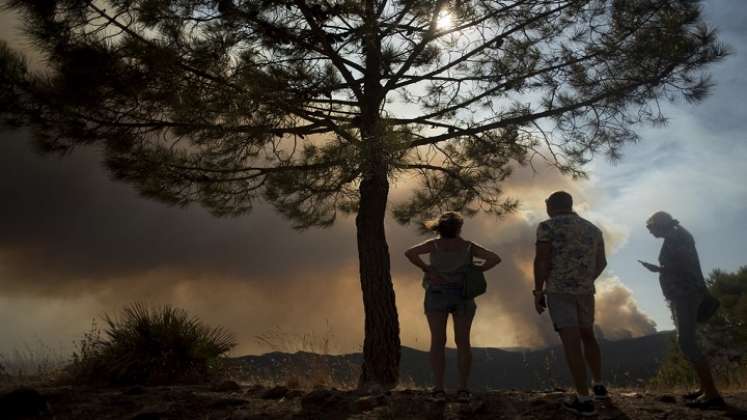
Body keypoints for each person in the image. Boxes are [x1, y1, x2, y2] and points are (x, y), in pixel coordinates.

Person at [404, 211, 501, 402]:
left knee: (437, 341)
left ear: (439, 227)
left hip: (436, 294)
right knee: (463, 342)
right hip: (463, 296)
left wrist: (428, 268)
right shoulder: (468, 247)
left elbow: (410, 253)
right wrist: (475, 269)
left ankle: (439, 389)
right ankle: (463, 389)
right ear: (459, 228)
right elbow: (495, 258)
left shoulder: (433, 245)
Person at [533, 191, 608, 417]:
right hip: (585, 291)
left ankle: (584, 399)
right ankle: (599, 385)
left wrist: (538, 290)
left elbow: (542, 259)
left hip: (559, 291)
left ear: (550, 206)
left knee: (572, 342)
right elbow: (602, 262)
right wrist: (585, 279)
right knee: (589, 335)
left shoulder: (547, 227)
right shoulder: (593, 229)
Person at [640, 211, 725, 409]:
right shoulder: (678, 234)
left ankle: (712, 394)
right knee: (689, 341)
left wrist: (660, 269)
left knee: (686, 342)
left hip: (685, 294)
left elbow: (683, 265)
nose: (651, 233)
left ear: (661, 225)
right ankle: (705, 389)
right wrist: (661, 269)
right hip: (687, 293)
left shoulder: (675, 236)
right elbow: (683, 264)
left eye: (652, 228)